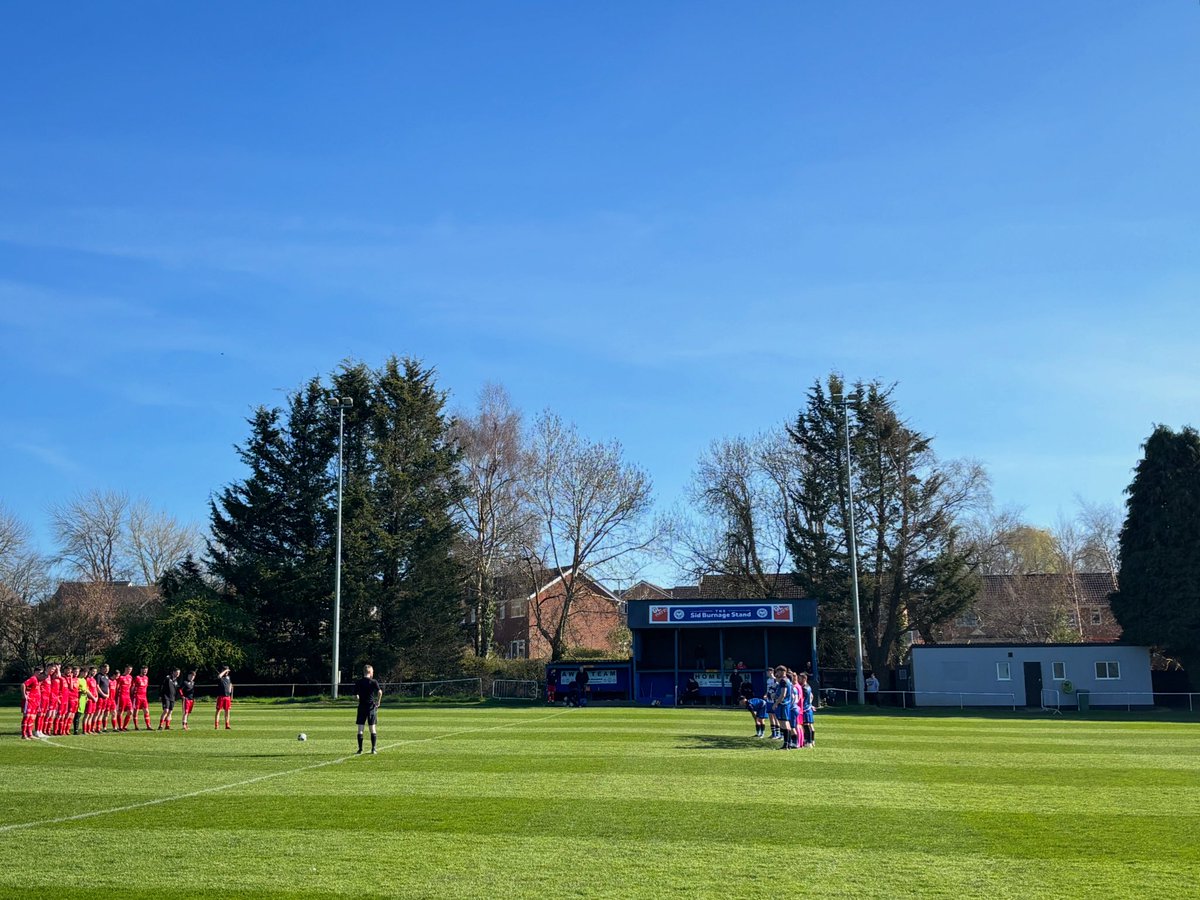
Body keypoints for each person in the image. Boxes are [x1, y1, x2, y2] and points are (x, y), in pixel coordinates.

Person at [354, 664, 383, 754]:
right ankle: (373, 749)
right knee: (372, 728)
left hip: (361, 707)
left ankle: (360, 749)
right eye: (373, 671)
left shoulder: (359, 682)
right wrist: (378, 701)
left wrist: (359, 699)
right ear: (370, 672)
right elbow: (380, 692)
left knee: (360, 729)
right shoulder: (373, 681)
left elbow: (356, 695)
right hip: (371, 707)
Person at [21, 666, 45, 739]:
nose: (40, 675)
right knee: (27, 717)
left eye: (41, 673)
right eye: (39, 673)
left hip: (35, 702)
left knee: (32, 718)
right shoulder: (33, 678)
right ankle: (24, 735)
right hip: (29, 701)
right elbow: (23, 684)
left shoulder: (38, 680)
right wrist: (24, 695)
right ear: (35, 672)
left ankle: (30, 734)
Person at [798, 672, 816, 748]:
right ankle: (811, 740)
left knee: (806, 725)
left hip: (805, 709)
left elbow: (802, 699)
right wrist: (810, 704)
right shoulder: (808, 686)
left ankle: (809, 742)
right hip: (808, 708)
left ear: (804, 679)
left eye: (800, 678)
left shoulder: (804, 688)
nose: (798, 680)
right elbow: (812, 696)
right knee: (810, 725)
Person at [132, 666, 152, 730]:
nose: (145, 671)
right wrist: (132, 695)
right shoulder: (137, 677)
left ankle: (148, 726)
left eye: (146, 670)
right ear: (141, 670)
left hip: (144, 697)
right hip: (137, 696)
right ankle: (136, 726)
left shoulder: (146, 678)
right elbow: (133, 687)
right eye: (144, 670)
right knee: (136, 711)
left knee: (146, 711)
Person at [93, 664, 112, 733]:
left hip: (105, 697)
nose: (107, 670)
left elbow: (107, 686)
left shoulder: (107, 676)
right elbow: (97, 686)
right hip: (100, 697)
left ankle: (98, 728)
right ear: (102, 668)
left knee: (102, 712)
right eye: (105, 668)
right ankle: (92, 728)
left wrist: (108, 694)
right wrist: (103, 694)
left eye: (108, 668)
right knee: (97, 713)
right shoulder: (98, 676)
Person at [116, 665, 134, 731]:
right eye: (128, 669)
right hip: (122, 696)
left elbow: (130, 687)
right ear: (125, 669)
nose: (129, 671)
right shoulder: (121, 677)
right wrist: (117, 695)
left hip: (128, 696)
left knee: (130, 712)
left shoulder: (130, 677)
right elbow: (117, 687)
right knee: (121, 712)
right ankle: (120, 727)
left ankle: (125, 726)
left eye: (130, 670)